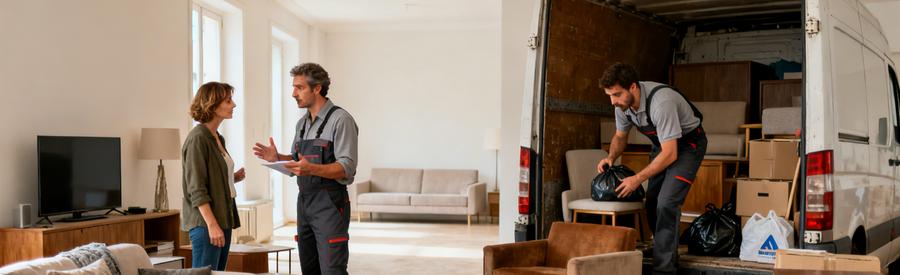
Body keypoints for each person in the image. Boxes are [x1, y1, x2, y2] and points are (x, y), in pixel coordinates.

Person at [596, 63, 706, 274]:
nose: (613, 101)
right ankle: (663, 249)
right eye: (609, 95)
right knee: (653, 201)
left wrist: (637, 178)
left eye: (617, 94)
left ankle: (664, 269)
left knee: (667, 202)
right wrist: (610, 157)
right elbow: (620, 136)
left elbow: (671, 154)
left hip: (688, 146)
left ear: (633, 87)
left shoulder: (661, 103)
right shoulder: (623, 106)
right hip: (663, 145)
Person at [253, 63, 358, 275]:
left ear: (317, 88)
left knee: (332, 269)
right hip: (305, 202)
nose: (294, 93)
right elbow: (297, 161)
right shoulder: (301, 124)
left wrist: (311, 169)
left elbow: (347, 167)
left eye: (299, 87)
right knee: (309, 268)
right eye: (294, 87)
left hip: (330, 203)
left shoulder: (341, 120)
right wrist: (278, 158)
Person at [181, 81, 246, 270]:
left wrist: (232, 177)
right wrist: (212, 225)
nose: (234, 105)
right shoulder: (198, 138)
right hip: (206, 224)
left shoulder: (217, 137)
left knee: (218, 273)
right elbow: (196, 188)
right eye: (228, 101)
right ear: (213, 104)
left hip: (222, 218)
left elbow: (211, 177)